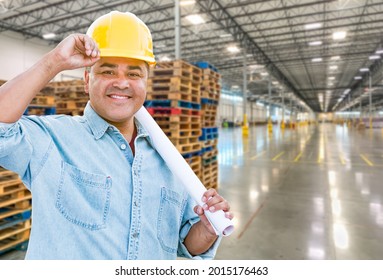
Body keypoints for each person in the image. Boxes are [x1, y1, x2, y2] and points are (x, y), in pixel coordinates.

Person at [0, 11, 232, 260]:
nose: (122, 83)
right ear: (87, 79)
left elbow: (186, 244)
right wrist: (54, 61)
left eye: (134, 74)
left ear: (146, 83)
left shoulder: (168, 159)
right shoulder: (51, 140)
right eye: (108, 72)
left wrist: (207, 229)